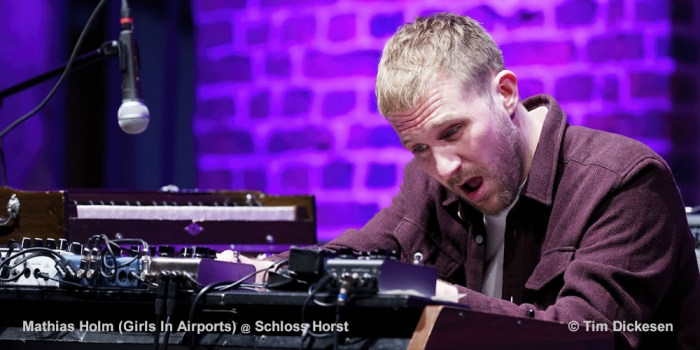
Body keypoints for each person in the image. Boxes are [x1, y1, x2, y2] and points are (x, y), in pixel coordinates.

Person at [239, 12, 700, 350]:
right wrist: (250, 271)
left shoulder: (626, 183)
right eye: (419, 148)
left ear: (505, 93)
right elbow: (360, 252)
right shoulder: (430, 186)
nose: (443, 168)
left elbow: (586, 336)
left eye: (453, 132)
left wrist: (439, 298)